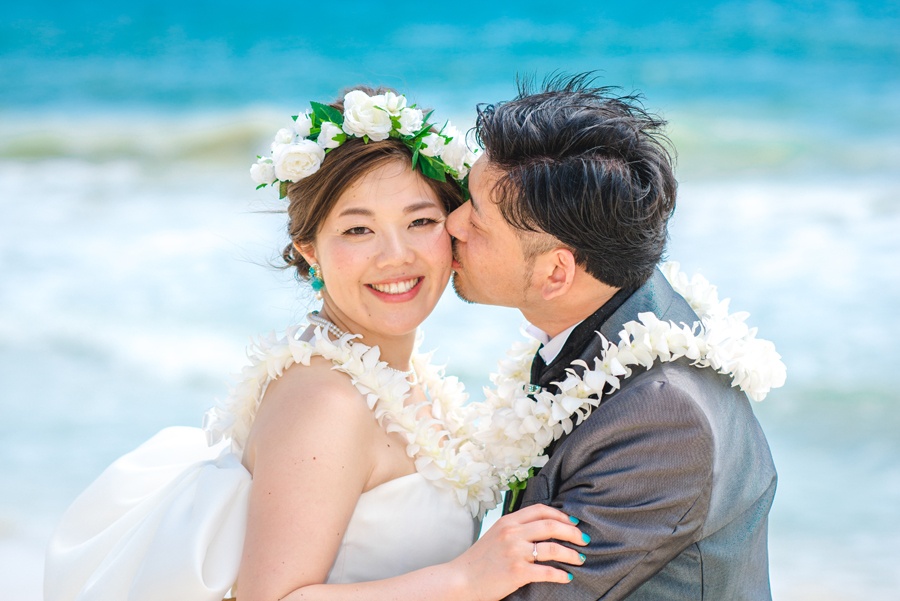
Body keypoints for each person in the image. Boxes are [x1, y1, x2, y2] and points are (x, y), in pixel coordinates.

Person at [44, 87, 588, 601]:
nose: (395, 255)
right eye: (357, 230)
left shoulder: (399, 371)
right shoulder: (325, 400)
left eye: (420, 221)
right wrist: (464, 580)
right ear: (309, 251)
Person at [446, 74, 784, 600]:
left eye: (478, 222)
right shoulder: (623, 304)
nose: (452, 223)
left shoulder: (665, 419)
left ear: (556, 274)